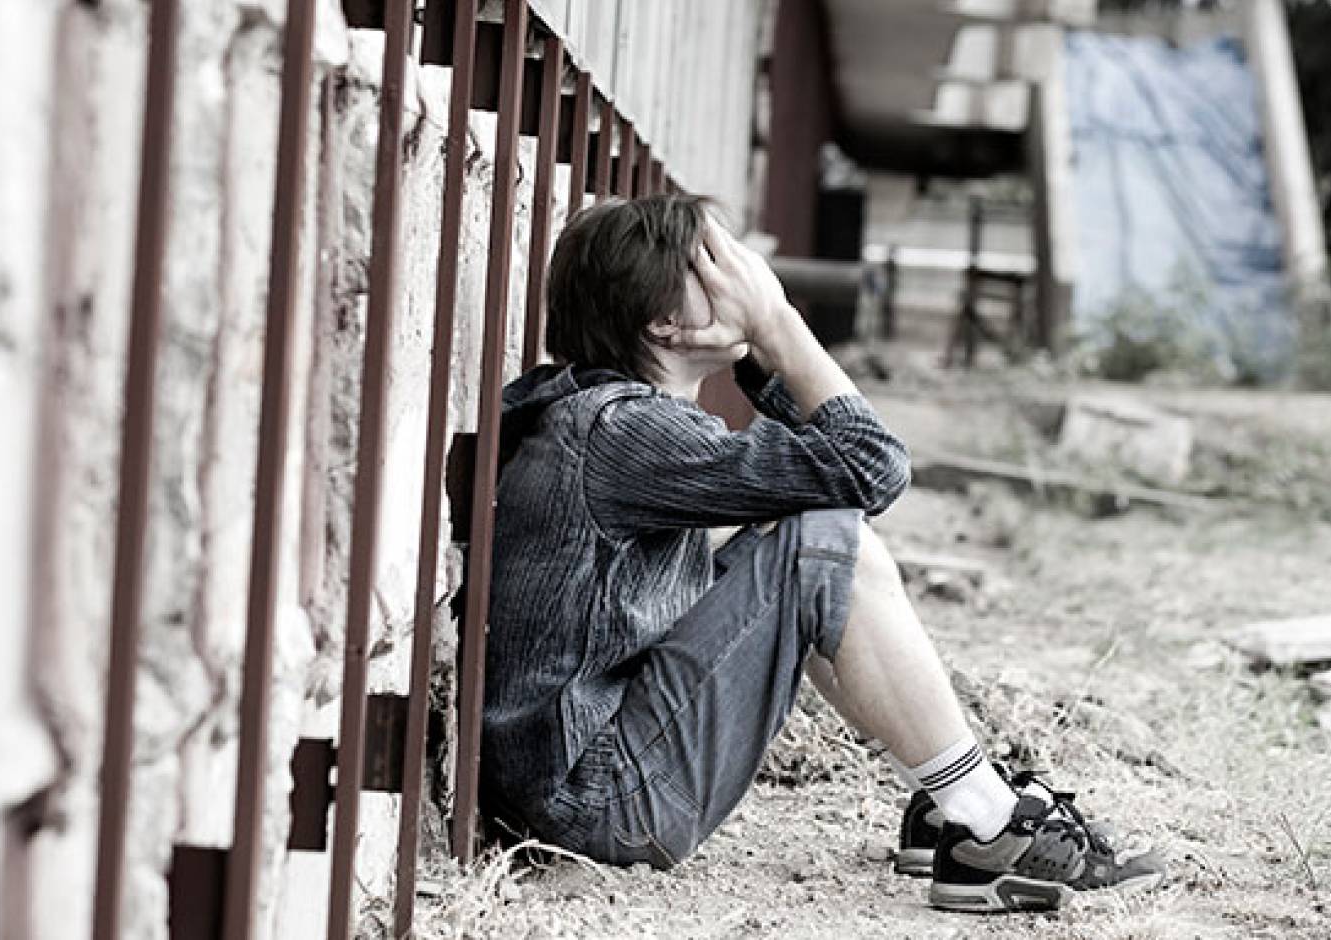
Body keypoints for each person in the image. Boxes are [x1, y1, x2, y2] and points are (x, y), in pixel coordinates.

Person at [479, 194, 1163, 912]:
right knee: (820, 544)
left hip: (586, 779)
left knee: (801, 536)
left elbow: (836, 471)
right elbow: (872, 466)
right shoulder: (623, 432)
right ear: (664, 321)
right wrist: (777, 325)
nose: (746, 277)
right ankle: (988, 822)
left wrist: (758, 356)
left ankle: (956, 804)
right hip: (597, 805)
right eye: (715, 266)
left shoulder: (611, 413)